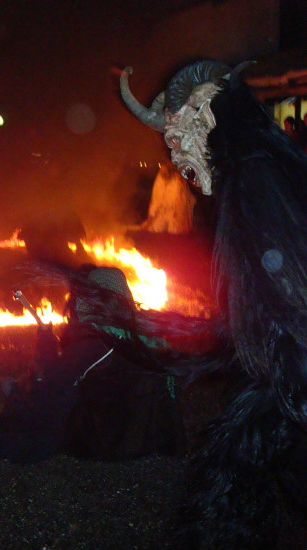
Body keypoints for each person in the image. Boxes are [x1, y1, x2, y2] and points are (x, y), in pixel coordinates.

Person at [120, 60, 307, 547]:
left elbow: (289, 309)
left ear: (207, 111)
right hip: (286, 380)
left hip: (292, 383)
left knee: (230, 493)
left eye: (178, 133)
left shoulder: (253, 177)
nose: (175, 150)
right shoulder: (254, 169)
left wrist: (285, 389)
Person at [0, 266, 186, 464]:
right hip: (144, 440)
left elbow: (53, 387)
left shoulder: (94, 342)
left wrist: (20, 386)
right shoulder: (152, 339)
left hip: (101, 442)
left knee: (30, 407)